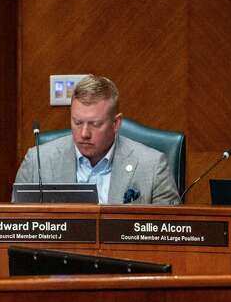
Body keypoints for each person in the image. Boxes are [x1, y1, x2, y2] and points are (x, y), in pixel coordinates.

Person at [13, 75, 180, 205]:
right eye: (77, 122)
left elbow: (169, 233)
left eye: (95, 124)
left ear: (116, 123)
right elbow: (16, 227)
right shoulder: (37, 161)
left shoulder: (152, 166)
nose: (84, 133)